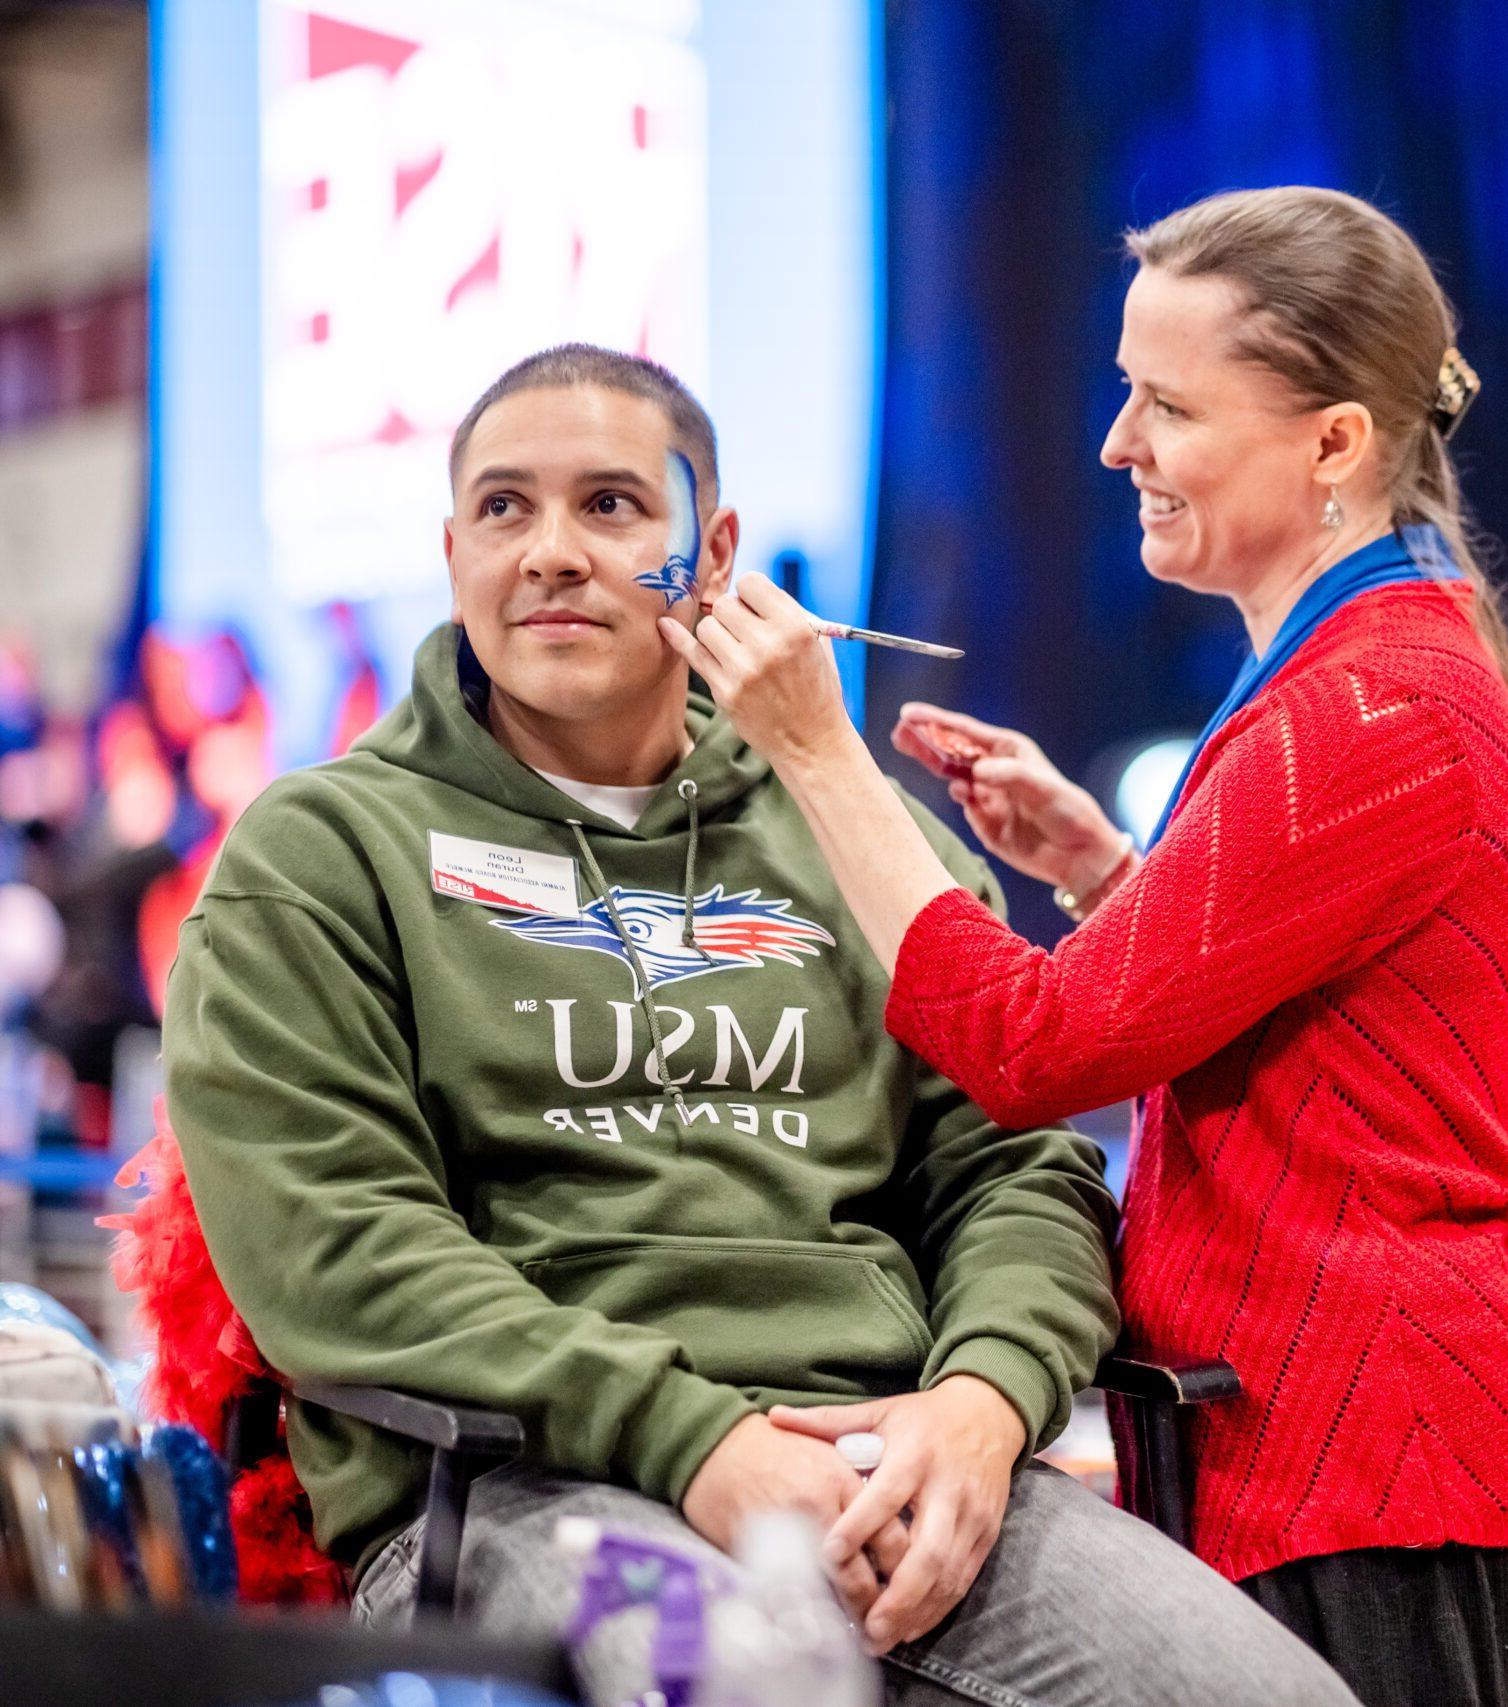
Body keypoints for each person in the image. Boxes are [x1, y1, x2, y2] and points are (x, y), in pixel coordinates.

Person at [160, 343, 1358, 1707]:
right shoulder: (320, 851)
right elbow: (337, 1248)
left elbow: (1013, 1164)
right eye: (504, 508)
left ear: (713, 550)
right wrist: (700, 1440)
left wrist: (984, 1402)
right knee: (752, 1679)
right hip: (514, 1486)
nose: (551, 551)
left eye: (611, 504)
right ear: (451, 551)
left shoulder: (862, 838)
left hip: (892, 1457)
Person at [660, 187, 1508, 1707]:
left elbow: (1034, 1051)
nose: (1116, 445)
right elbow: (1338, 1010)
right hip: (1353, 1466)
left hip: (1377, 1486)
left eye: (1165, 404)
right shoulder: (1383, 661)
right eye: (1119, 392)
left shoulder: (1371, 705)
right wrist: (1112, 876)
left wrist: (815, 755)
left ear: (1335, 443)